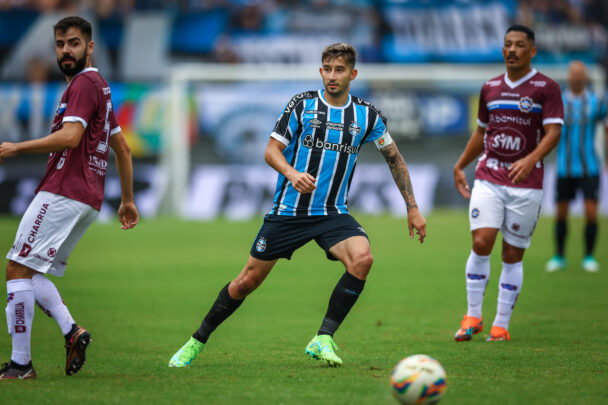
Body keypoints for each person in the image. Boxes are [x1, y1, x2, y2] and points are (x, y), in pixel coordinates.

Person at [168, 43, 426, 368]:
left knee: (362, 259)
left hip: (332, 213)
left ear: (353, 74)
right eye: (327, 69)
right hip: (288, 213)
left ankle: (323, 338)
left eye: (340, 70)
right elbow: (270, 151)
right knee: (246, 281)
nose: (332, 76)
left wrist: (412, 207)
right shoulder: (302, 105)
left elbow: (394, 158)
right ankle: (196, 341)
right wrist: (292, 173)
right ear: (321, 71)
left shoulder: (366, 114)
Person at [0, 16, 139, 380]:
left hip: (64, 191)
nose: (66, 50)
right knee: (30, 270)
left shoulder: (83, 83)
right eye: (60, 44)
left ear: (90, 47)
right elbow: (122, 149)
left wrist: (16, 147)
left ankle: (20, 365)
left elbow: (70, 137)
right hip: (88, 199)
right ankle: (71, 331)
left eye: (74, 43)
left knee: (16, 267)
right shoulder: (101, 88)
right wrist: (127, 199)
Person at [452, 25, 564, 342]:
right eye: (507, 45)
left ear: (532, 51)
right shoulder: (490, 88)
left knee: (512, 255)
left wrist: (530, 159)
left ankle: (501, 325)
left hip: (527, 183)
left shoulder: (547, 88)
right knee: (481, 242)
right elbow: (480, 133)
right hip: (490, 175)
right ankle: (473, 316)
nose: (511, 50)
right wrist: (461, 164)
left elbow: (554, 132)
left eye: (518, 45)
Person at [545, 61, 607, 273]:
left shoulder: (596, 102)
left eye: (581, 75)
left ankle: (588, 256)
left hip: (590, 167)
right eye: (574, 74)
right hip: (564, 167)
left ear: (586, 77)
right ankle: (559, 255)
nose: (577, 78)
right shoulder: (559, 101)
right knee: (561, 213)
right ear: (569, 77)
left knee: (591, 213)